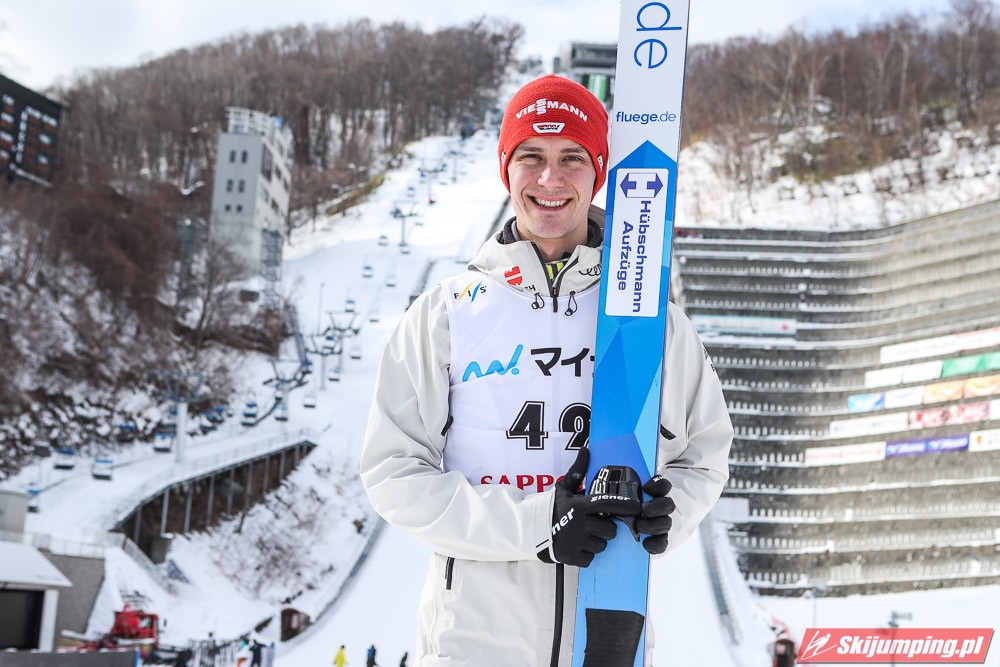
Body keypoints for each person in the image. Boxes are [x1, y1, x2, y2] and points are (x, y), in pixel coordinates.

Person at [360, 74, 732, 666]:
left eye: (572, 158)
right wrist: (538, 524)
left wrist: (671, 512)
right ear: (506, 169)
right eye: (531, 155)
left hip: (607, 631)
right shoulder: (445, 314)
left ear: (599, 171)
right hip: (472, 643)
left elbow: (704, 455)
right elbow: (393, 474)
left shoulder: (651, 322)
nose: (550, 179)